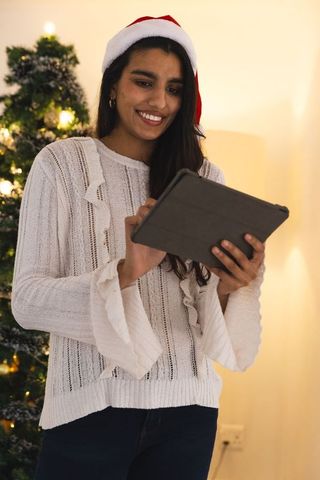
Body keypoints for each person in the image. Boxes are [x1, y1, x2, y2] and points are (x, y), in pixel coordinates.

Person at [11, 15, 265, 480]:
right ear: (113, 86)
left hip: (190, 411)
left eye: (173, 89)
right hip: (91, 410)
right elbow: (26, 302)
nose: (159, 102)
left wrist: (232, 284)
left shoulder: (205, 178)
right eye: (143, 82)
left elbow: (210, 320)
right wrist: (125, 272)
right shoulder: (61, 165)